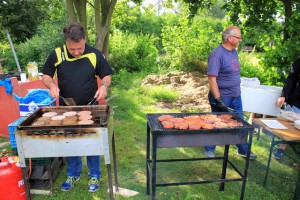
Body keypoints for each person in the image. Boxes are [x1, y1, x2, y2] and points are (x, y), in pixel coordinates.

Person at [42, 22, 114, 192]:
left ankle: (94, 174)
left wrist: (103, 86)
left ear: (84, 40)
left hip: (91, 106)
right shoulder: (57, 54)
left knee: (91, 141)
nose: (76, 52)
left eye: (80, 48)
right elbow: (46, 75)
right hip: (67, 109)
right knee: (70, 141)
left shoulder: (95, 54)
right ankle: (73, 173)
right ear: (66, 41)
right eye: (72, 49)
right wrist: (52, 86)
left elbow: (106, 75)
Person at [204, 25, 257, 160]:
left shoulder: (234, 52)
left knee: (240, 123)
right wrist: (218, 99)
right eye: (238, 37)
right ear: (229, 38)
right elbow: (212, 79)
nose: (240, 40)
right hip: (223, 97)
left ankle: (242, 150)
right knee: (216, 123)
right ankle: (209, 149)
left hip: (236, 96)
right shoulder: (216, 54)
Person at [274, 56, 300, 159]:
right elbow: (291, 77)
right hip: (297, 101)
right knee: (289, 127)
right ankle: (281, 149)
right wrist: (283, 95)